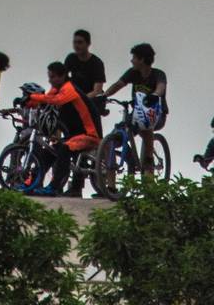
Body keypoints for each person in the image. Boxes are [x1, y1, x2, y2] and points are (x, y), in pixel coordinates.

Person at [24, 62, 101, 196]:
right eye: (49, 77)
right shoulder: (57, 88)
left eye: (53, 77)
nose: (50, 80)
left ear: (63, 76)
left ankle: (55, 187)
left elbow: (57, 100)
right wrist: (27, 101)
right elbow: (47, 98)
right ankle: (31, 183)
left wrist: (32, 96)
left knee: (65, 148)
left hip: (89, 135)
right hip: (74, 135)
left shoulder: (69, 89)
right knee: (49, 151)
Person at [102, 42, 168, 175]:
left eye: (134, 58)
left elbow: (161, 87)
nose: (131, 61)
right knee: (114, 137)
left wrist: (155, 95)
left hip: (157, 113)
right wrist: (103, 96)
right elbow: (118, 85)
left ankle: (149, 159)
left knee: (146, 126)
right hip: (138, 113)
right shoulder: (133, 73)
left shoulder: (158, 74)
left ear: (142, 59)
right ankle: (112, 185)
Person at [64, 30, 107, 194]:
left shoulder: (96, 63)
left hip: (90, 108)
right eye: (75, 42)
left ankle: (104, 185)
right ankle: (75, 186)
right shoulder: (70, 59)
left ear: (88, 44)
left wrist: (81, 98)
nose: (77, 45)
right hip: (73, 109)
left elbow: (98, 89)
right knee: (73, 145)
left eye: (80, 42)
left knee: (96, 146)